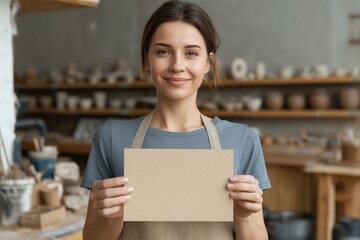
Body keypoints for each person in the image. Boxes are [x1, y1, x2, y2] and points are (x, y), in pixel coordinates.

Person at [81, 1, 271, 239]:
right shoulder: (111, 138)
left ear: (208, 63)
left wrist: (243, 216)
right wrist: (115, 215)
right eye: (163, 51)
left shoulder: (242, 140)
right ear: (147, 60)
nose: (177, 65)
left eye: (191, 53)